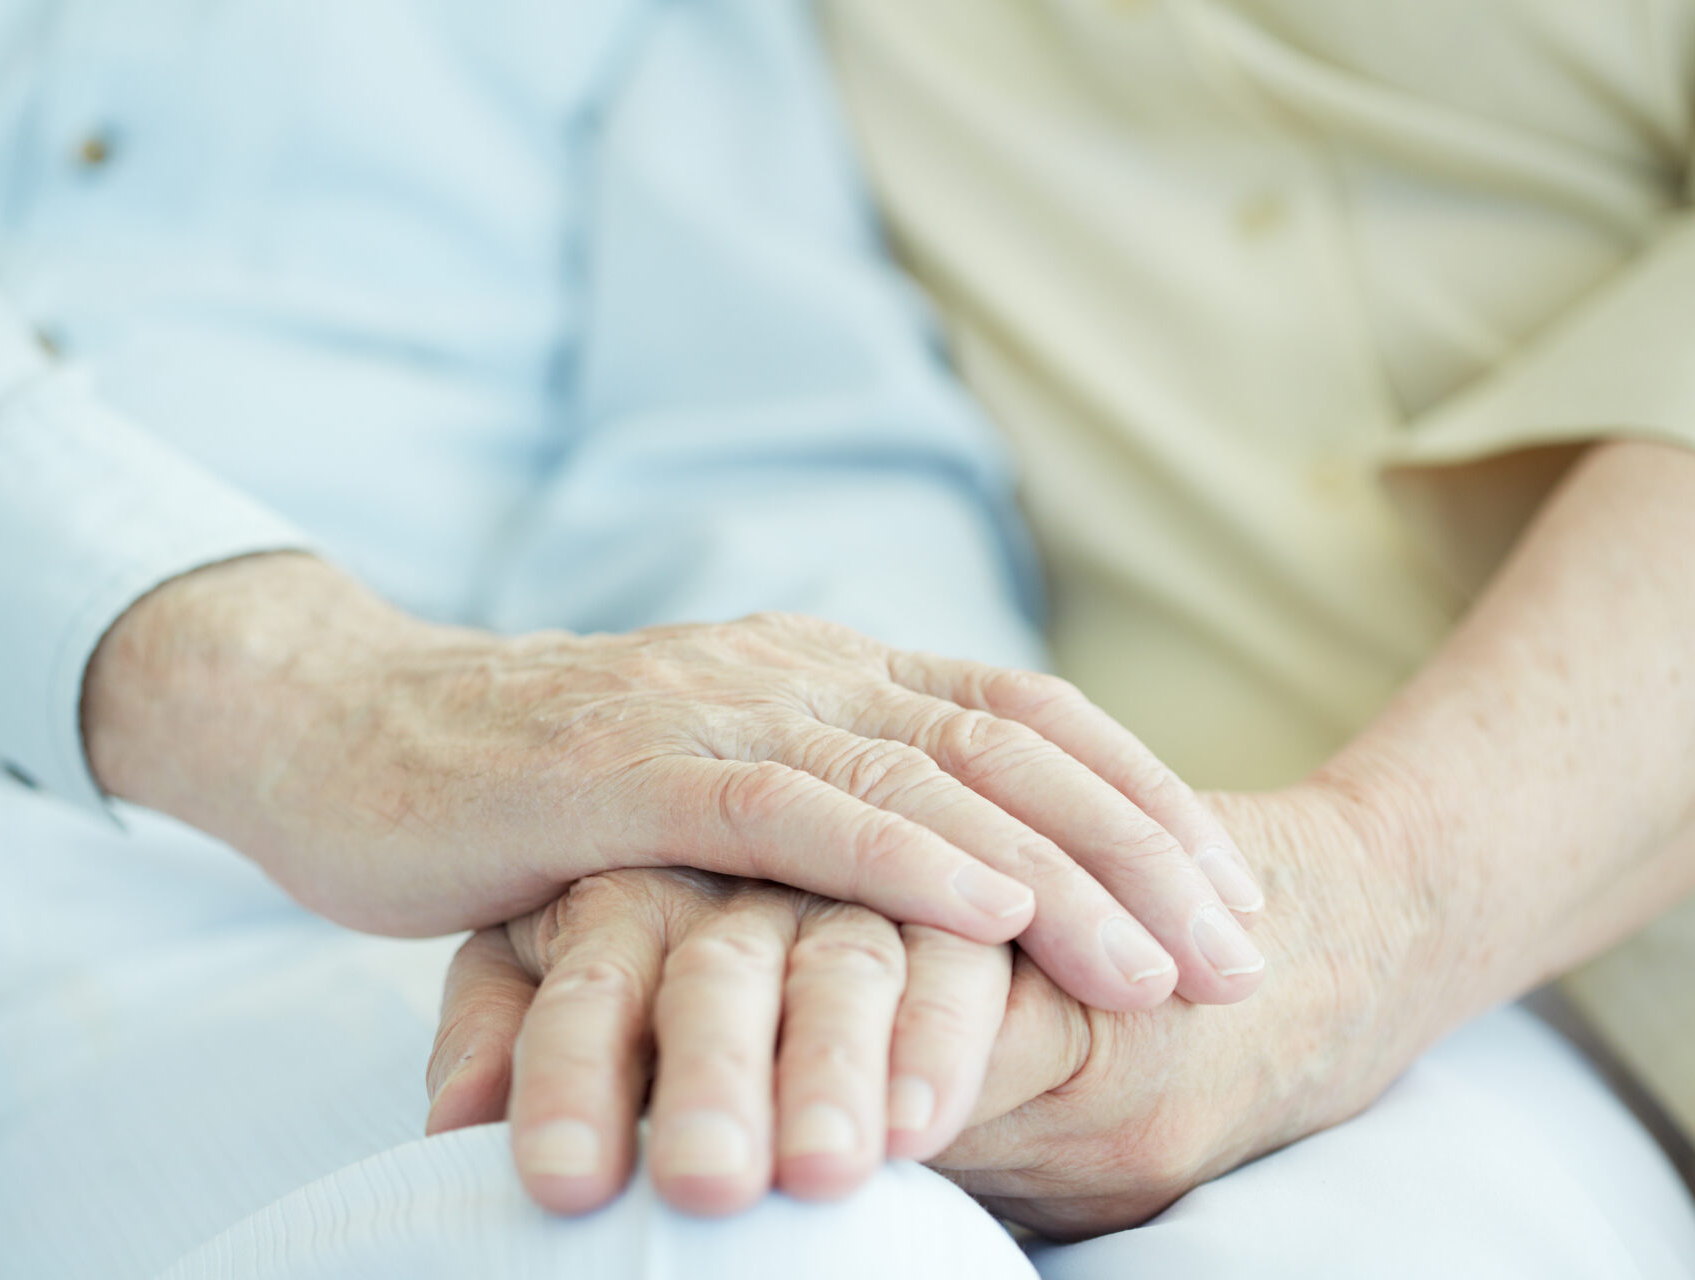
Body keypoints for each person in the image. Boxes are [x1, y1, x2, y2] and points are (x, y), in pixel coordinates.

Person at [0, 2, 1254, 1276]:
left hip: (292, 959)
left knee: (754, 1218)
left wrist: (801, 833)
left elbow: (773, 444)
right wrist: (289, 688)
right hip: (329, 763)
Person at [429, 1, 1695, 1274]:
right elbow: (780, 432)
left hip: (1318, 980)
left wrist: (1373, 901)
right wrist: (799, 813)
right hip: (1124, 1014)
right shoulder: (735, 57)